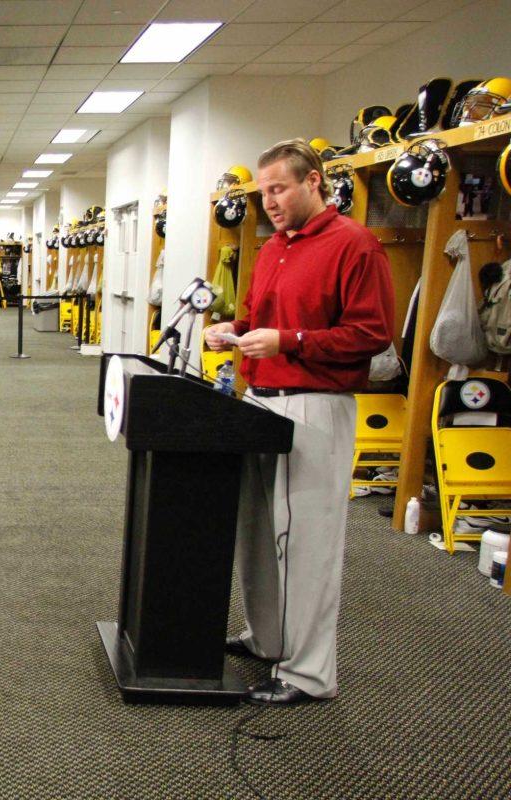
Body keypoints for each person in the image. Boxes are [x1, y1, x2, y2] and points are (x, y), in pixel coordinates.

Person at [204, 138, 394, 706]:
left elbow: (371, 334)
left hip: (315, 404)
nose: (270, 202)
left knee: (308, 543)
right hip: (261, 399)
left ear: (314, 181)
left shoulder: (354, 245)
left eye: (279, 189)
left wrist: (290, 340)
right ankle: (267, 639)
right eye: (264, 193)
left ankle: (311, 674)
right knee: (260, 532)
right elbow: (265, 317)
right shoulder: (272, 248)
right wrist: (234, 330)